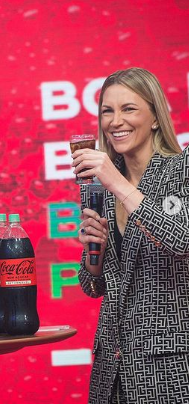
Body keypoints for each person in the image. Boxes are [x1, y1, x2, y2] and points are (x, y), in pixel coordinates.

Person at [72, 67, 189, 403]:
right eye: (107, 110)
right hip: (111, 371)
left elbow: (182, 240)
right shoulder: (101, 188)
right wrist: (95, 257)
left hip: (171, 371)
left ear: (155, 117)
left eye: (129, 109)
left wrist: (119, 185)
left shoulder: (181, 170)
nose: (115, 121)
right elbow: (93, 286)